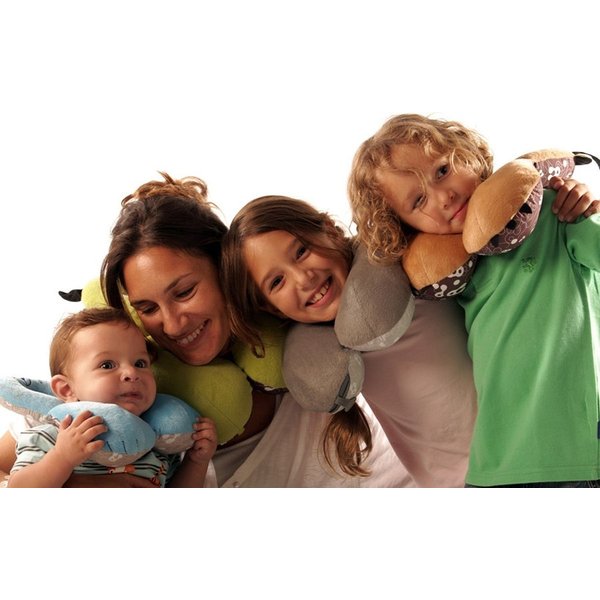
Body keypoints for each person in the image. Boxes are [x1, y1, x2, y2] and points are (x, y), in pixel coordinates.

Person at [0, 172, 410, 488]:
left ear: (225, 268)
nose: (172, 324)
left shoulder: (310, 362)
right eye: (148, 308)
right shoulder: (118, 394)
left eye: (184, 292)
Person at [348, 113, 600, 487]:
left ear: (466, 154)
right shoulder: (447, 278)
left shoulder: (552, 213)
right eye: (418, 200)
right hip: (493, 470)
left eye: (442, 171)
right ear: (405, 226)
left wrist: (587, 207)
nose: (444, 196)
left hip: (579, 458)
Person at [221, 194, 478, 487]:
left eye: (301, 251)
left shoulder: (399, 258)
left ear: (331, 230)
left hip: (514, 446)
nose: (304, 279)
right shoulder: (326, 351)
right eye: (277, 282)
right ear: (271, 308)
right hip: (453, 484)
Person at [7, 307, 217, 488]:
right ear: (66, 389)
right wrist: (62, 458)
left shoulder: (157, 446)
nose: (131, 373)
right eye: (107, 365)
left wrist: (196, 461)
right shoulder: (51, 437)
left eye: (140, 363)